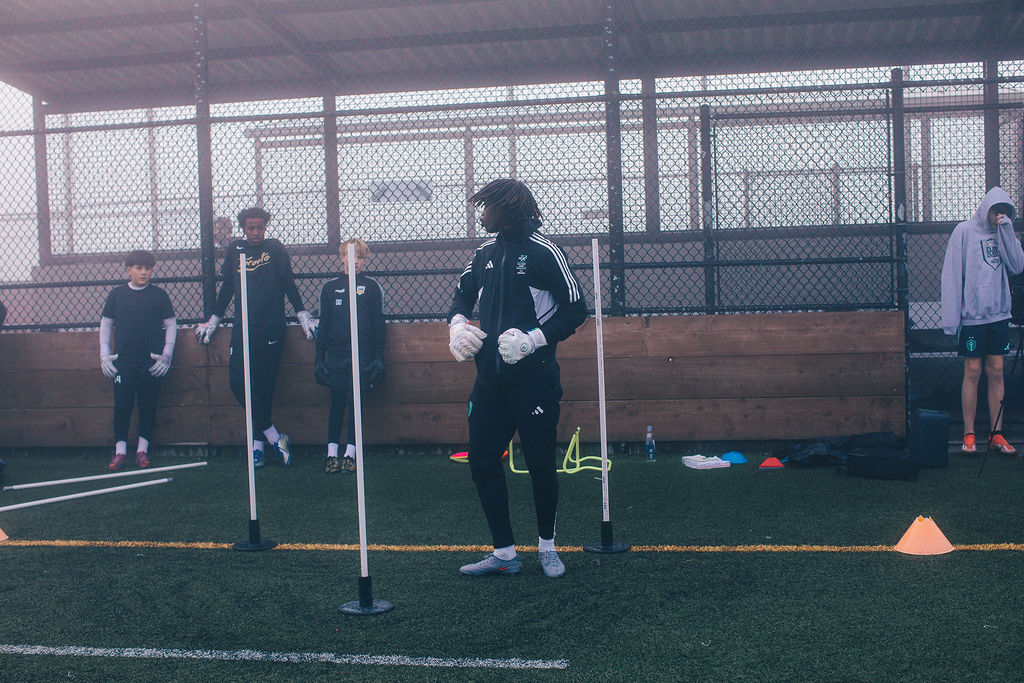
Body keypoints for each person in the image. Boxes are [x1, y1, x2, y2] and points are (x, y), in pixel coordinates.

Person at [448, 178, 587, 578]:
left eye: (488, 206)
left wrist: (533, 340)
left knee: (541, 463)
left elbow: (575, 309)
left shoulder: (545, 252)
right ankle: (505, 553)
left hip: (534, 379)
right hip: (489, 381)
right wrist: (457, 325)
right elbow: (461, 295)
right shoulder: (484, 252)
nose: (482, 213)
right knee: (481, 460)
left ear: (508, 208)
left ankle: (547, 548)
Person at [194, 207, 317, 467]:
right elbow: (227, 285)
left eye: (260, 227)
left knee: (263, 387)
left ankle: (257, 446)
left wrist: (302, 312)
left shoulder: (275, 248)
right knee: (239, 383)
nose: (256, 232)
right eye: (251, 228)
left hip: (271, 326)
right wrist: (215, 318)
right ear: (243, 228)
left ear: (265, 226)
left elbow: (287, 282)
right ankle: (275, 437)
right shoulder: (235, 250)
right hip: (243, 326)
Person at [941, 187, 1023, 455]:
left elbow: (1017, 266)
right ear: (985, 208)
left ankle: (996, 434)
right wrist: (952, 319)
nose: (999, 216)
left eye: (1004, 212)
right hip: (973, 318)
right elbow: (951, 275)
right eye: (995, 210)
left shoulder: (1005, 233)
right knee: (973, 372)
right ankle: (969, 434)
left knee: (997, 370)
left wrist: (1007, 233)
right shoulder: (964, 232)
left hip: (998, 316)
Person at [99, 250, 176, 470]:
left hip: (151, 362)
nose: (144, 272)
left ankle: (142, 451)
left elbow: (171, 324)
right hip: (123, 360)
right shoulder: (117, 295)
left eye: (148, 268)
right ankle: (120, 452)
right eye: (139, 268)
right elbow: (106, 324)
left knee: (148, 404)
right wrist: (104, 354)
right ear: (129, 270)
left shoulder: (159, 295)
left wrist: (167, 354)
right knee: (122, 405)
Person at [315, 238, 386, 474]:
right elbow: (324, 325)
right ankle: (331, 454)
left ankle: (350, 454)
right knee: (336, 401)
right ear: (342, 257)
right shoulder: (330, 288)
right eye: (350, 255)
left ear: (364, 260)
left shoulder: (372, 287)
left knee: (356, 403)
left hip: (363, 354)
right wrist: (319, 358)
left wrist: (378, 357)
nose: (355, 261)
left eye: (360, 257)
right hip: (336, 354)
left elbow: (378, 324)